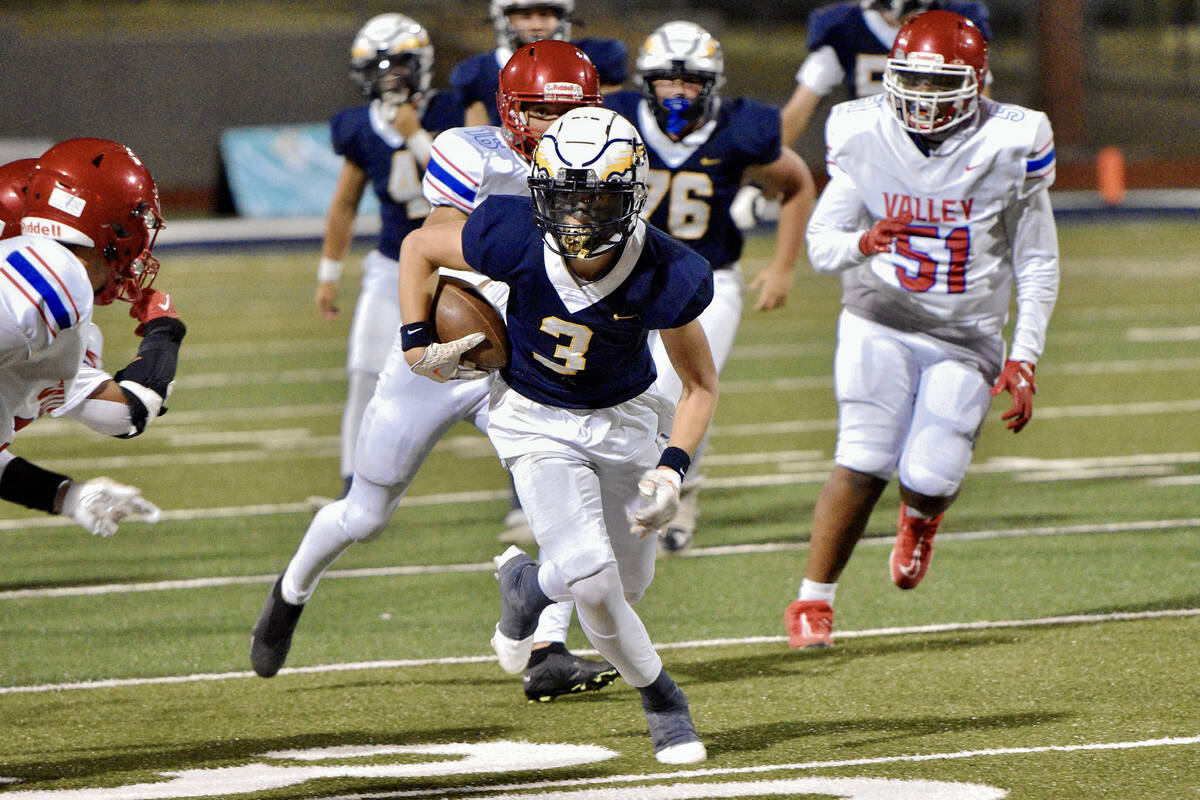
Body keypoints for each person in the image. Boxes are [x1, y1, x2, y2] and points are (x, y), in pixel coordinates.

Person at [250, 41, 619, 705]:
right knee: (365, 514)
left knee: (563, 505)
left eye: (573, 113)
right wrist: (422, 342)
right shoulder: (472, 152)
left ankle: (549, 650)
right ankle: (291, 590)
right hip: (448, 351)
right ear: (510, 110)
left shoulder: (601, 161)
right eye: (538, 113)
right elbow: (438, 238)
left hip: (526, 363)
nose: (557, 129)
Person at [398, 106, 717, 764]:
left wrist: (672, 470)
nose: (576, 214)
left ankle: (529, 587)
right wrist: (414, 344)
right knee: (594, 585)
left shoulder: (668, 271)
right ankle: (665, 703)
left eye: (595, 195)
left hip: (624, 417)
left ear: (629, 195)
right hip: (532, 414)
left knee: (624, 588)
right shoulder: (513, 232)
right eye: (563, 195)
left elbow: (699, 386)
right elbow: (419, 247)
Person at [783, 10, 1059, 648]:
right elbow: (823, 246)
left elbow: (1037, 259)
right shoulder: (863, 130)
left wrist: (1026, 355)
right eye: (914, 81)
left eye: (943, 85)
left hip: (967, 330)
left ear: (977, 81)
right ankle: (813, 599)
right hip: (878, 314)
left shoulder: (1012, 141)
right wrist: (864, 240)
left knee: (931, 476)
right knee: (863, 454)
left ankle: (919, 519)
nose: (926, 99)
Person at [605, 21, 816, 553]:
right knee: (618, 390)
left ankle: (681, 491)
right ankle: (619, 494)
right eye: (667, 81)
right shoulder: (616, 119)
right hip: (622, 277)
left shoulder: (742, 128)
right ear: (645, 82)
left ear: (712, 83)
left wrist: (785, 265)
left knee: (679, 390)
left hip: (706, 278)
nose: (678, 92)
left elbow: (796, 184)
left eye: (692, 81)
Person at [0, 140, 186, 536]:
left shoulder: (48, 317)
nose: (136, 241)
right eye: (129, 224)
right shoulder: (56, 276)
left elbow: (125, 412)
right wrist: (166, 328)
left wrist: (66, 495)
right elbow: (133, 410)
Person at [314, 13, 463, 499]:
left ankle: (523, 492)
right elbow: (344, 203)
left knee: (493, 375)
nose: (390, 75)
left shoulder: (453, 111)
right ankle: (351, 485)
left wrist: (417, 133)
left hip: (459, 260)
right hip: (392, 261)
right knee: (362, 370)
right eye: (379, 65)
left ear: (421, 64)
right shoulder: (357, 127)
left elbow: (467, 182)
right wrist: (328, 274)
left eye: (400, 63)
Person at [780, 0, 992, 150]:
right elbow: (798, 111)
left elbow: (981, 108)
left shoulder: (957, 25)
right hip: (874, 154)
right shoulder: (844, 28)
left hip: (944, 152)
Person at [450, 0, 628, 128]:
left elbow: (608, 123)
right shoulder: (477, 71)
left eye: (545, 15)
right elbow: (478, 136)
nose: (536, 25)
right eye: (525, 16)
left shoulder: (590, 59)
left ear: (561, 17)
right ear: (505, 18)